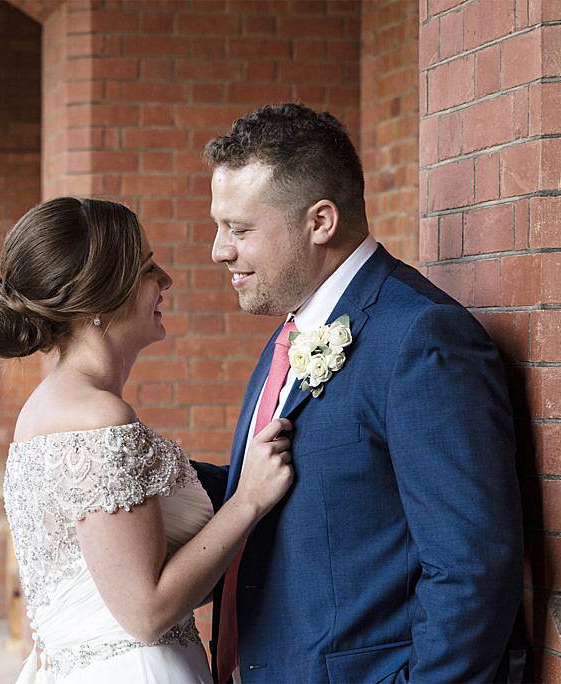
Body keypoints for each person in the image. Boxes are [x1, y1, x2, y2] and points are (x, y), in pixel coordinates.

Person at [194, 103, 525, 683]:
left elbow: (472, 570)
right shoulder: (291, 333)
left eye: (240, 229)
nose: (220, 250)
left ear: (320, 221)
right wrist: (135, 468)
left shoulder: (420, 338)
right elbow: (308, 494)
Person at [0, 197, 294, 683]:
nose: (165, 280)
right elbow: (145, 613)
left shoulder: (48, 407)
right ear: (102, 300)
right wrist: (248, 500)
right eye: (148, 269)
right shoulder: (98, 419)